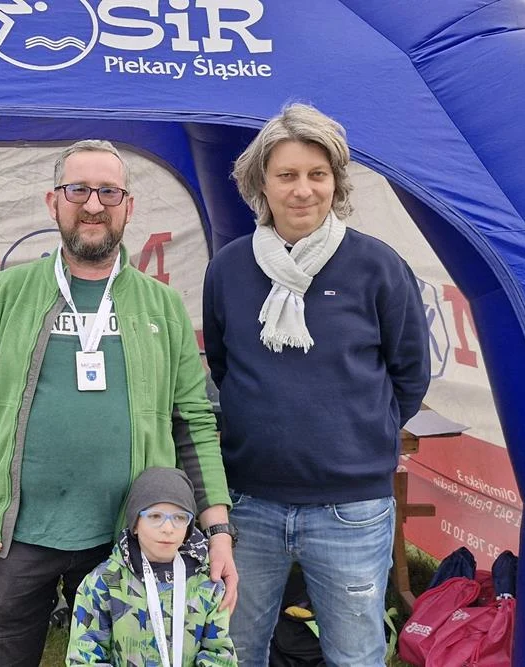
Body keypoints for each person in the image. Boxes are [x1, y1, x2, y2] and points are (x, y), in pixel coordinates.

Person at [0, 139, 237, 667]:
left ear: (128, 207)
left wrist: (219, 532)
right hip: (11, 539)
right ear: (54, 203)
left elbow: (195, 426)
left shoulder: (161, 305)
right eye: (78, 190)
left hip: (129, 541)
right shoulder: (7, 294)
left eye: (109, 192)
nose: (94, 204)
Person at [202, 104, 431, 666]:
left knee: (354, 656)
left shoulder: (379, 267)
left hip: (352, 509)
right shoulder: (228, 268)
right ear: (261, 183)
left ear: (336, 181)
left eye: (317, 174)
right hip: (249, 503)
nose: (303, 190)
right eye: (287, 174)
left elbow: (409, 374)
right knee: (234, 650)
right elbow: (224, 367)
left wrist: (357, 438)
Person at [67, 467, 237, 666]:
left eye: (179, 517)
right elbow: (84, 656)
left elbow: (219, 655)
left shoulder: (209, 585)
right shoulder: (101, 583)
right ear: (135, 524)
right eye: (155, 516)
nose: (168, 528)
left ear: (188, 528)